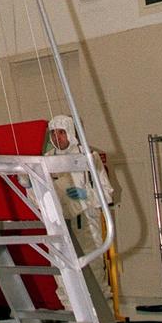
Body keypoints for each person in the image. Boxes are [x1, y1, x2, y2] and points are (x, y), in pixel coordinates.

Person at [46, 114, 113, 298]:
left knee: (93, 267)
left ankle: (101, 311)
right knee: (62, 268)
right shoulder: (46, 159)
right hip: (59, 222)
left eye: (61, 132)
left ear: (70, 132)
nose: (57, 137)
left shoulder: (88, 157)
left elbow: (107, 192)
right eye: (53, 133)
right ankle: (71, 311)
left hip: (86, 222)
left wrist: (87, 195)